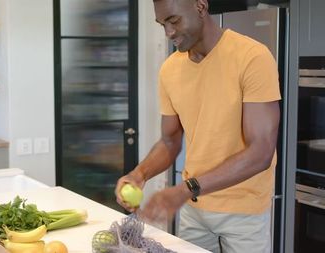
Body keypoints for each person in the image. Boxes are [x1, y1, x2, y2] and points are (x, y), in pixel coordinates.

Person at [114, 0, 281, 252]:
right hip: (195, 210)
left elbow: (261, 152)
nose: (169, 33)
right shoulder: (170, 69)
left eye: (174, 20)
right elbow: (170, 141)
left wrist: (185, 189)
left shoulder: (252, 56)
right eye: (162, 24)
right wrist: (139, 174)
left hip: (245, 212)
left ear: (200, 6)